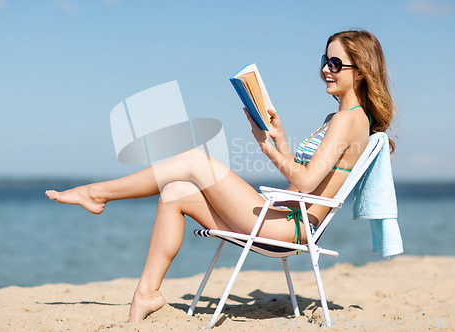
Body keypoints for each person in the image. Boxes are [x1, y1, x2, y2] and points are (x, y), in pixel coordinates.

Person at [45, 29, 396, 323]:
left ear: (360, 71)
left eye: (336, 63)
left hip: (287, 227)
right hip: (281, 218)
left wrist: (271, 152)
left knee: (195, 160)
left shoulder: (348, 119)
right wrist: (277, 140)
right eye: (324, 61)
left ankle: (98, 194)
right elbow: (307, 176)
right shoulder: (342, 118)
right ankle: (146, 295)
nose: (326, 69)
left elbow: (304, 183)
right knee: (175, 192)